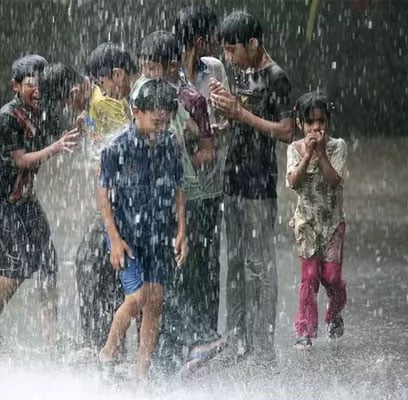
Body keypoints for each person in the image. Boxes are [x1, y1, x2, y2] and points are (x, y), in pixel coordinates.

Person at [0, 55, 79, 347]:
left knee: (47, 262)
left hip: (26, 197)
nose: (38, 90)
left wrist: (82, 124)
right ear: (15, 86)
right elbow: (20, 160)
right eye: (31, 85)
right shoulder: (8, 117)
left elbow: (64, 133)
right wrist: (54, 147)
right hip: (1, 198)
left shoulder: (44, 109)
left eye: (41, 83)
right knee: (16, 264)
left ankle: (52, 340)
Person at [209, 10, 295, 364]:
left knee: (260, 266)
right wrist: (223, 116)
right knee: (235, 262)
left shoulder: (277, 78)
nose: (229, 58)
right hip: (233, 181)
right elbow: (241, 123)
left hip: (260, 185)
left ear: (253, 43)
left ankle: (263, 348)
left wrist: (241, 114)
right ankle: (236, 341)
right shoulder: (243, 74)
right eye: (225, 52)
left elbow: (288, 132)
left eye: (233, 50)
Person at [130, 30, 216, 372]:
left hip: (182, 198)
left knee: (178, 276)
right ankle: (160, 356)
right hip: (148, 202)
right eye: (144, 66)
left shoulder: (188, 99)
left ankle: (187, 347)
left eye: (154, 67)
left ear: (170, 67)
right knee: (156, 281)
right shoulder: (140, 94)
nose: (148, 73)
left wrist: (178, 168)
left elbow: (205, 146)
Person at [97, 79, 186, 378]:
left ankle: (141, 371)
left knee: (155, 300)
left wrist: (181, 230)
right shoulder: (116, 148)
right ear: (136, 111)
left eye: (166, 121)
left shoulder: (170, 144)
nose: (161, 127)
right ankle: (108, 351)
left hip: (159, 235)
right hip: (128, 238)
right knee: (136, 299)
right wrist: (114, 239)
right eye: (155, 120)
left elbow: (178, 189)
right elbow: (103, 193)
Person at [74, 42, 137, 353]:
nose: (103, 91)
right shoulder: (121, 98)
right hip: (119, 199)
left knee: (97, 264)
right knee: (107, 269)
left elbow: (119, 155)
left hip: (124, 203)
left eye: (102, 84)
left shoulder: (113, 103)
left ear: (116, 75)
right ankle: (110, 346)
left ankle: (105, 346)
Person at [175, 4, 227, 360]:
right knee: (183, 264)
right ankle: (185, 339)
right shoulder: (169, 78)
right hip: (181, 191)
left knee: (209, 263)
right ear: (200, 39)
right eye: (210, 37)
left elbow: (223, 115)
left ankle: (207, 335)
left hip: (210, 188)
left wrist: (217, 128)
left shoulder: (215, 71)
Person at [286, 92, 347, 349]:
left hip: (332, 223)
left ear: (329, 122)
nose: (316, 128)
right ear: (300, 125)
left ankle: (334, 313)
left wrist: (321, 153)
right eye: (310, 123)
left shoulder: (337, 147)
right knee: (309, 277)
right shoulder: (294, 149)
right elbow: (293, 182)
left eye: (321, 121)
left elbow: (335, 182)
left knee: (331, 277)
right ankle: (305, 331)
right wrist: (308, 155)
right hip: (307, 223)